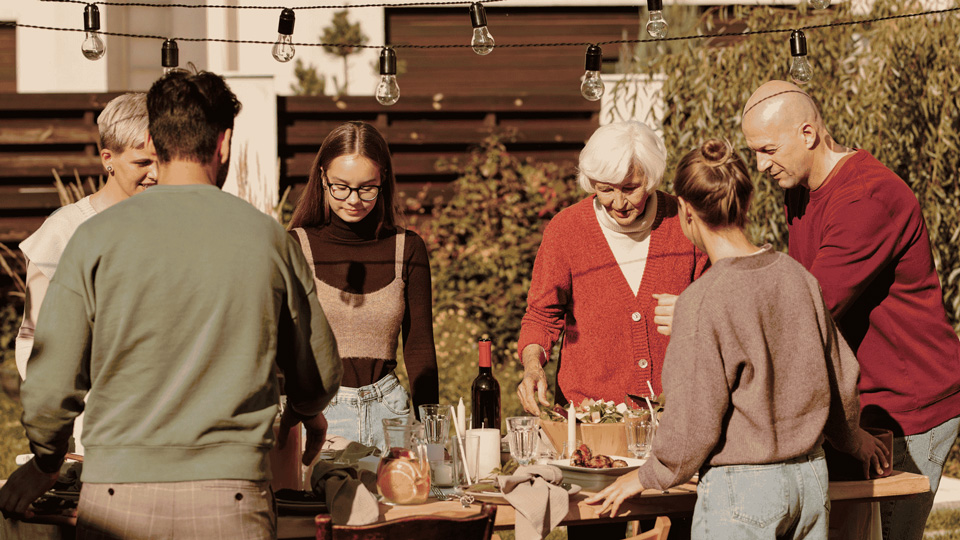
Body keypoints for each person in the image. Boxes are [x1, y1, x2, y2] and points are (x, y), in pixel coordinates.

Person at [0, 70, 342, 539]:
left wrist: (46, 459)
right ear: (224, 144)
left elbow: (51, 381)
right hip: (232, 496)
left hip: (116, 498)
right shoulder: (266, 238)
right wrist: (306, 410)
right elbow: (318, 370)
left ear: (154, 142)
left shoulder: (94, 239)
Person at [585, 138, 888, 539]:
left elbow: (693, 419)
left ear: (686, 211)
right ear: (746, 203)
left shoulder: (702, 300)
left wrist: (647, 475)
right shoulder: (798, 277)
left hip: (745, 492)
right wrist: (850, 440)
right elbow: (840, 379)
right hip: (811, 481)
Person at [742, 80, 960, 540]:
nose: (760, 165)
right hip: (858, 401)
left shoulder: (866, 198)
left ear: (807, 133)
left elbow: (811, 307)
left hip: (907, 405)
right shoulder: (800, 188)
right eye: (754, 152)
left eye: (767, 150)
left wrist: (715, 314)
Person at [517, 120, 708, 414]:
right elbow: (542, 316)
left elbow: (720, 309)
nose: (619, 203)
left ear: (651, 179)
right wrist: (533, 366)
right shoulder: (566, 231)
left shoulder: (686, 222)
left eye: (630, 189)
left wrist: (693, 313)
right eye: (606, 189)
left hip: (676, 412)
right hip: (589, 415)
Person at [288, 121, 438, 452]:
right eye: (341, 187)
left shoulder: (407, 248)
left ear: (384, 180)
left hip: (391, 413)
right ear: (322, 178)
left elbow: (419, 348)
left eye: (367, 188)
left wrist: (432, 434)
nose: (354, 200)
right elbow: (282, 347)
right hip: (320, 415)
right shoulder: (295, 247)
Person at [15, 92, 156, 382]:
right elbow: (33, 337)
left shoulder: (177, 222)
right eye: (142, 163)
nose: (155, 173)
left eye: (163, 161)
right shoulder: (64, 230)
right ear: (108, 159)